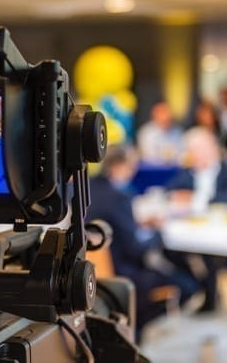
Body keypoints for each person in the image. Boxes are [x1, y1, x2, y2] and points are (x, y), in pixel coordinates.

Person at [85, 145, 199, 338]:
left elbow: (115, 227)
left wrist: (139, 225)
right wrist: (158, 234)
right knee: (188, 286)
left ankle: (131, 327)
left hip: (93, 274)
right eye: (131, 167)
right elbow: (135, 249)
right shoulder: (119, 197)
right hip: (123, 274)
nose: (133, 172)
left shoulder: (88, 188)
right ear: (119, 166)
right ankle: (136, 327)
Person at [165, 126, 227, 311]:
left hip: (225, 233)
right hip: (195, 232)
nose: (195, 155)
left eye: (199, 150)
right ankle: (202, 289)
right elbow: (171, 192)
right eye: (192, 151)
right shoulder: (187, 173)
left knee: (218, 258)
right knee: (169, 250)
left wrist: (195, 200)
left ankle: (222, 296)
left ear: (212, 149)